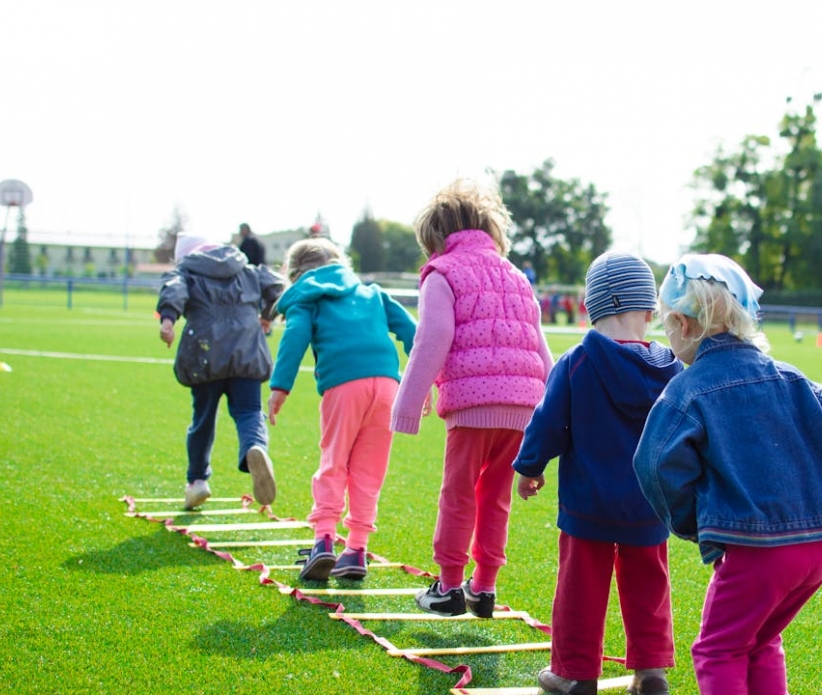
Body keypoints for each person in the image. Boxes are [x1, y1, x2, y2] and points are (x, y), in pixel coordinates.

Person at [633, 253, 822, 695]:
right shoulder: (792, 377)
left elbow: (654, 462)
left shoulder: (687, 389)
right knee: (761, 640)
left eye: (667, 325)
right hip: (820, 547)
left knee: (717, 650)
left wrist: (692, 523)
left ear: (684, 325)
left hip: (758, 548)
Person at [513, 252, 682, 695]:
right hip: (650, 505)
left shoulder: (576, 362)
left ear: (588, 308)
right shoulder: (672, 368)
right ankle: (651, 672)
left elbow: (548, 423)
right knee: (649, 587)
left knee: (580, 590)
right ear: (649, 310)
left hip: (587, 504)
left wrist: (529, 467)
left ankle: (576, 672)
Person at [391, 178, 554, 617]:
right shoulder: (517, 275)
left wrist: (409, 402)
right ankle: (483, 587)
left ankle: (447, 588)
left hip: (472, 404)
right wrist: (555, 414)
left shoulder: (442, 273)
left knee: (458, 493)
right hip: (524, 406)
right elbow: (541, 347)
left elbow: (434, 336)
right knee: (495, 495)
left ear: (436, 238)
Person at [267, 237, 417, 581]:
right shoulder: (373, 293)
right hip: (387, 386)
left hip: (344, 384)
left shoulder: (308, 296)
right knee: (369, 470)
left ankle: (323, 541)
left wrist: (280, 386)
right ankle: (356, 550)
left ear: (295, 274)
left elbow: (295, 335)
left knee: (334, 461)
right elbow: (414, 332)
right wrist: (423, 382)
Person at [157, 231, 284, 511]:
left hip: (205, 353)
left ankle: (198, 481)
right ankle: (255, 447)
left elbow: (174, 289)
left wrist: (168, 319)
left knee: (203, 418)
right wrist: (267, 315)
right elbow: (276, 286)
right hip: (248, 350)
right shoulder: (245, 268)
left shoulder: (187, 271)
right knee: (250, 411)